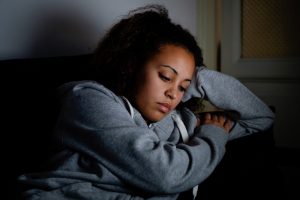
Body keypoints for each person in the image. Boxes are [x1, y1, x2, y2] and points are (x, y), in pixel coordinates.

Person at [18, 4, 275, 200]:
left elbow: (261, 117)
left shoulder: (182, 121)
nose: (174, 94)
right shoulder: (88, 100)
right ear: (131, 66)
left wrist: (198, 77)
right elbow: (164, 174)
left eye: (183, 88)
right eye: (165, 76)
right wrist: (212, 136)